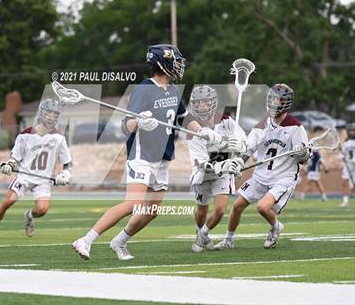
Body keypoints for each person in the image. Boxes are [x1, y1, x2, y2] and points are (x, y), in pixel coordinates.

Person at [72, 44, 234, 260]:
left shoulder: (174, 90)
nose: (178, 65)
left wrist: (204, 132)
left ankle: (119, 242)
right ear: (163, 63)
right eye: (175, 60)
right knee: (133, 204)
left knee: (152, 210)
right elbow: (124, 125)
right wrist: (138, 121)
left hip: (162, 158)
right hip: (142, 155)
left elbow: (184, 118)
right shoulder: (144, 89)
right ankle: (86, 239)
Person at [214, 83, 310, 250]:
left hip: (283, 177)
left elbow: (304, 160)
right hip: (261, 175)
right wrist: (238, 162)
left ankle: (276, 227)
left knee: (263, 207)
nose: (273, 103)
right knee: (237, 206)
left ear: (285, 103)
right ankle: (228, 240)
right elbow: (249, 148)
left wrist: (301, 152)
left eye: (277, 100)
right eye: (271, 99)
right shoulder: (262, 124)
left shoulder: (296, 127)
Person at [0, 99, 72, 240]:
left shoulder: (59, 137)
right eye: (49, 113)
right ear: (41, 113)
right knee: (8, 202)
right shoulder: (26, 135)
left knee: (42, 210)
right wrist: (9, 165)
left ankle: (29, 216)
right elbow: (15, 156)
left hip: (43, 180)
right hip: (25, 177)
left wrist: (65, 174)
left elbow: (67, 162)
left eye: (55, 114)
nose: (52, 116)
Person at [186, 85, 246, 252]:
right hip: (203, 174)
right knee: (202, 210)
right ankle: (199, 229)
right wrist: (222, 165)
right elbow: (201, 164)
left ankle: (202, 235)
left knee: (220, 210)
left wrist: (239, 154)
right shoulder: (192, 129)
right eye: (198, 103)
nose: (201, 106)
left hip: (223, 175)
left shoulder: (227, 122)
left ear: (213, 103)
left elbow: (246, 145)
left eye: (205, 102)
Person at [340, 123, 355, 207]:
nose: (352, 132)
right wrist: (343, 157)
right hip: (348, 165)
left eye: (353, 130)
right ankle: (345, 201)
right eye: (351, 130)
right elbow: (344, 154)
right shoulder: (346, 143)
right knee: (344, 182)